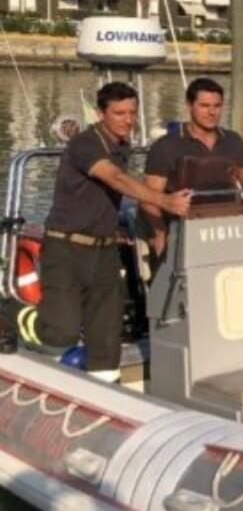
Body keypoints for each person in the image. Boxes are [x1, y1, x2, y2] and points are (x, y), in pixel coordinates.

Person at [11, 82, 192, 381]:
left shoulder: (123, 146)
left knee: (107, 337)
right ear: (100, 113)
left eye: (132, 112)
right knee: (60, 332)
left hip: (105, 251)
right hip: (66, 247)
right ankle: (11, 312)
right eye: (119, 113)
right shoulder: (85, 143)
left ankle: (108, 389)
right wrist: (164, 201)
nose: (128, 120)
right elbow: (116, 179)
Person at [141, 78, 243, 258]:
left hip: (227, 228)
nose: (212, 112)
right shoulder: (165, 146)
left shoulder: (233, 140)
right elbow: (148, 198)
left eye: (217, 106)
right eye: (204, 106)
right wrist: (160, 232)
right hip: (184, 230)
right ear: (189, 105)